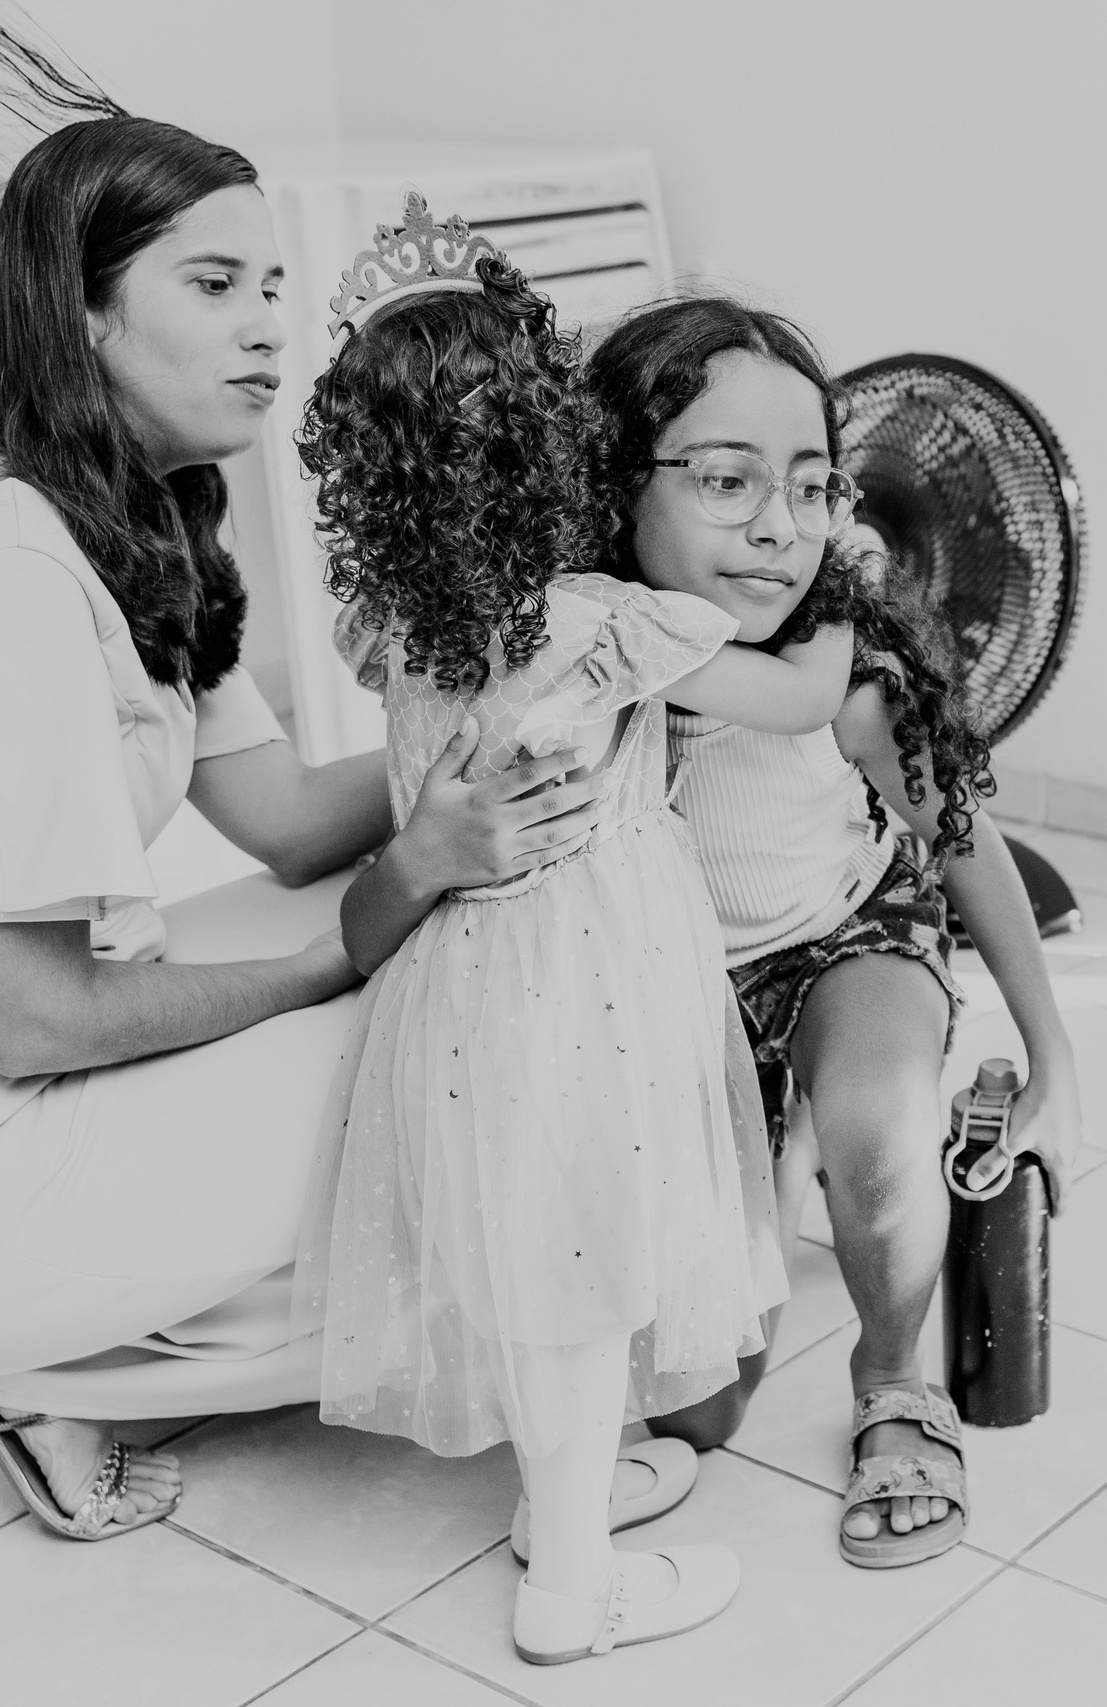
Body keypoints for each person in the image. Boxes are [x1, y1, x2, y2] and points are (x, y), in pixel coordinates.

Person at [0, 117, 603, 1540]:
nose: (269, 329)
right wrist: (348, 949)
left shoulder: (124, 513)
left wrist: (491, 735)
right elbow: (34, 1015)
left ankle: (76, 1346)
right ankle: (29, 1357)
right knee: (459, 1021)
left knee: (440, 923)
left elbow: (276, 818)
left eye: (274, 286)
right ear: (79, 311)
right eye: (213, 286)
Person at [294, 212, 855, 1662]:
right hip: (592, 982)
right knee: (596, 1270)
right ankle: (573, 1580)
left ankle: (573, 1487)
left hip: (459, 985)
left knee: (538, 1258)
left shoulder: (389, 627)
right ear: (562, 454)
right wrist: (847, 586)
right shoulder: (603, 618)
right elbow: (795, 704)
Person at [588, 298, 1084, 1570]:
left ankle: (890, 1376)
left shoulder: (840, 678)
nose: (778, 528)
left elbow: (960, 832)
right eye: (725, 481)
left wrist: (1053, 1053)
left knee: (875, 1134)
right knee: (697, 1413)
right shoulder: (585, 653)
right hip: (678, 987)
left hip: (840, 933)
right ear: (612, 481)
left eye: (811, 488)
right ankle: (776, 1149)